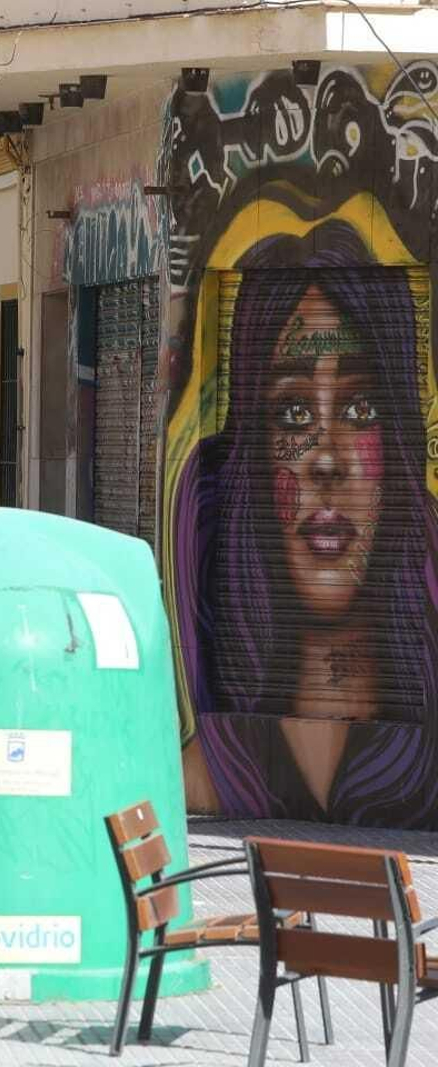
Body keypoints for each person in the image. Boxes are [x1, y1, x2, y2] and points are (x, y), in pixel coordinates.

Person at [170, 220, 438, 827]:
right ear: (251, 456)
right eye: (292, 412)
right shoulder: (201, 770)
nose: (324, 457)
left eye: (359, 407)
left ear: (397, 446)